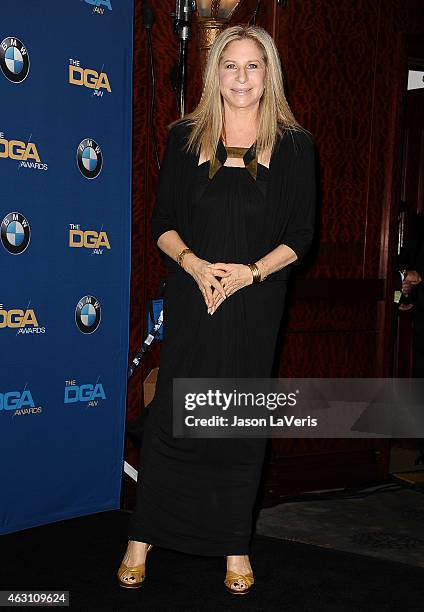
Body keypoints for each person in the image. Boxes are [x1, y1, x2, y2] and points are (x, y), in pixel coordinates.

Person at [117, 24, 316, 595]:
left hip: (254, 301)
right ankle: (141, 538)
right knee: (174, 416)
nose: (242, 77)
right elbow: (163, 227)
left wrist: (248, 273)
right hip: (193, 294)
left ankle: (234, 546)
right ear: (215, 72)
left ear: (268, 73)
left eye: (254, 66)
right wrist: (200, 268)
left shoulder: (296, 145)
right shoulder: (184, 137)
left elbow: (301, 236)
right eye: (231, 65)